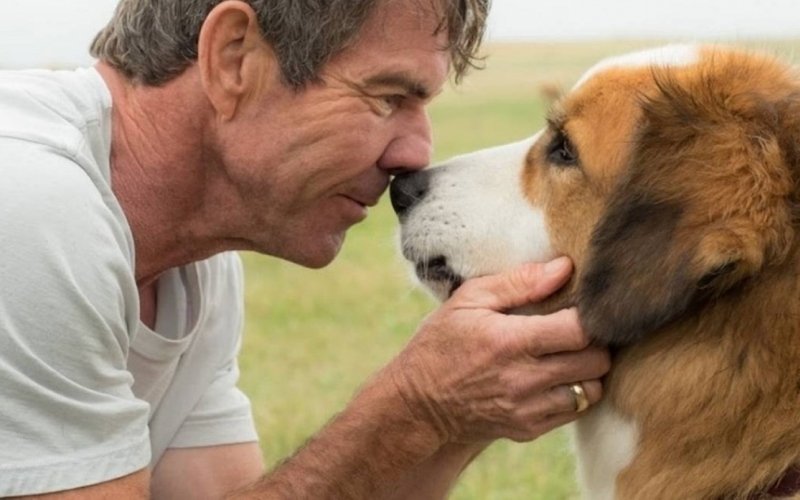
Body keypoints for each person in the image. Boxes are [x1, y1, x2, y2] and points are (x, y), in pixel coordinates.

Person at [0, 0, 610, 497]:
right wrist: (420, 407)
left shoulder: (194, 267)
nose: (415, 155)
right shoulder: (32, 204)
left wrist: (461, 416)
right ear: (234, 57)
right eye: (387, 98)